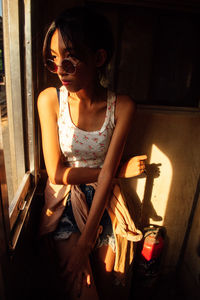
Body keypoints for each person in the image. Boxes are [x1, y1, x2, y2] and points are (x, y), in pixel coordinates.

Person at [37, 6, 147, 300]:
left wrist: (88, 242)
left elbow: (106, 178)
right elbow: (58, 174)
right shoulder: (50, 100)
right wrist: (117, 171)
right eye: (54, 58)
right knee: (84, 292)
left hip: (104, 200)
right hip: (66, 200)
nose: (61, 69)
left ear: (98, 58)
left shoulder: (121, 107)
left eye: (70, 57)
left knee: (107, 285)